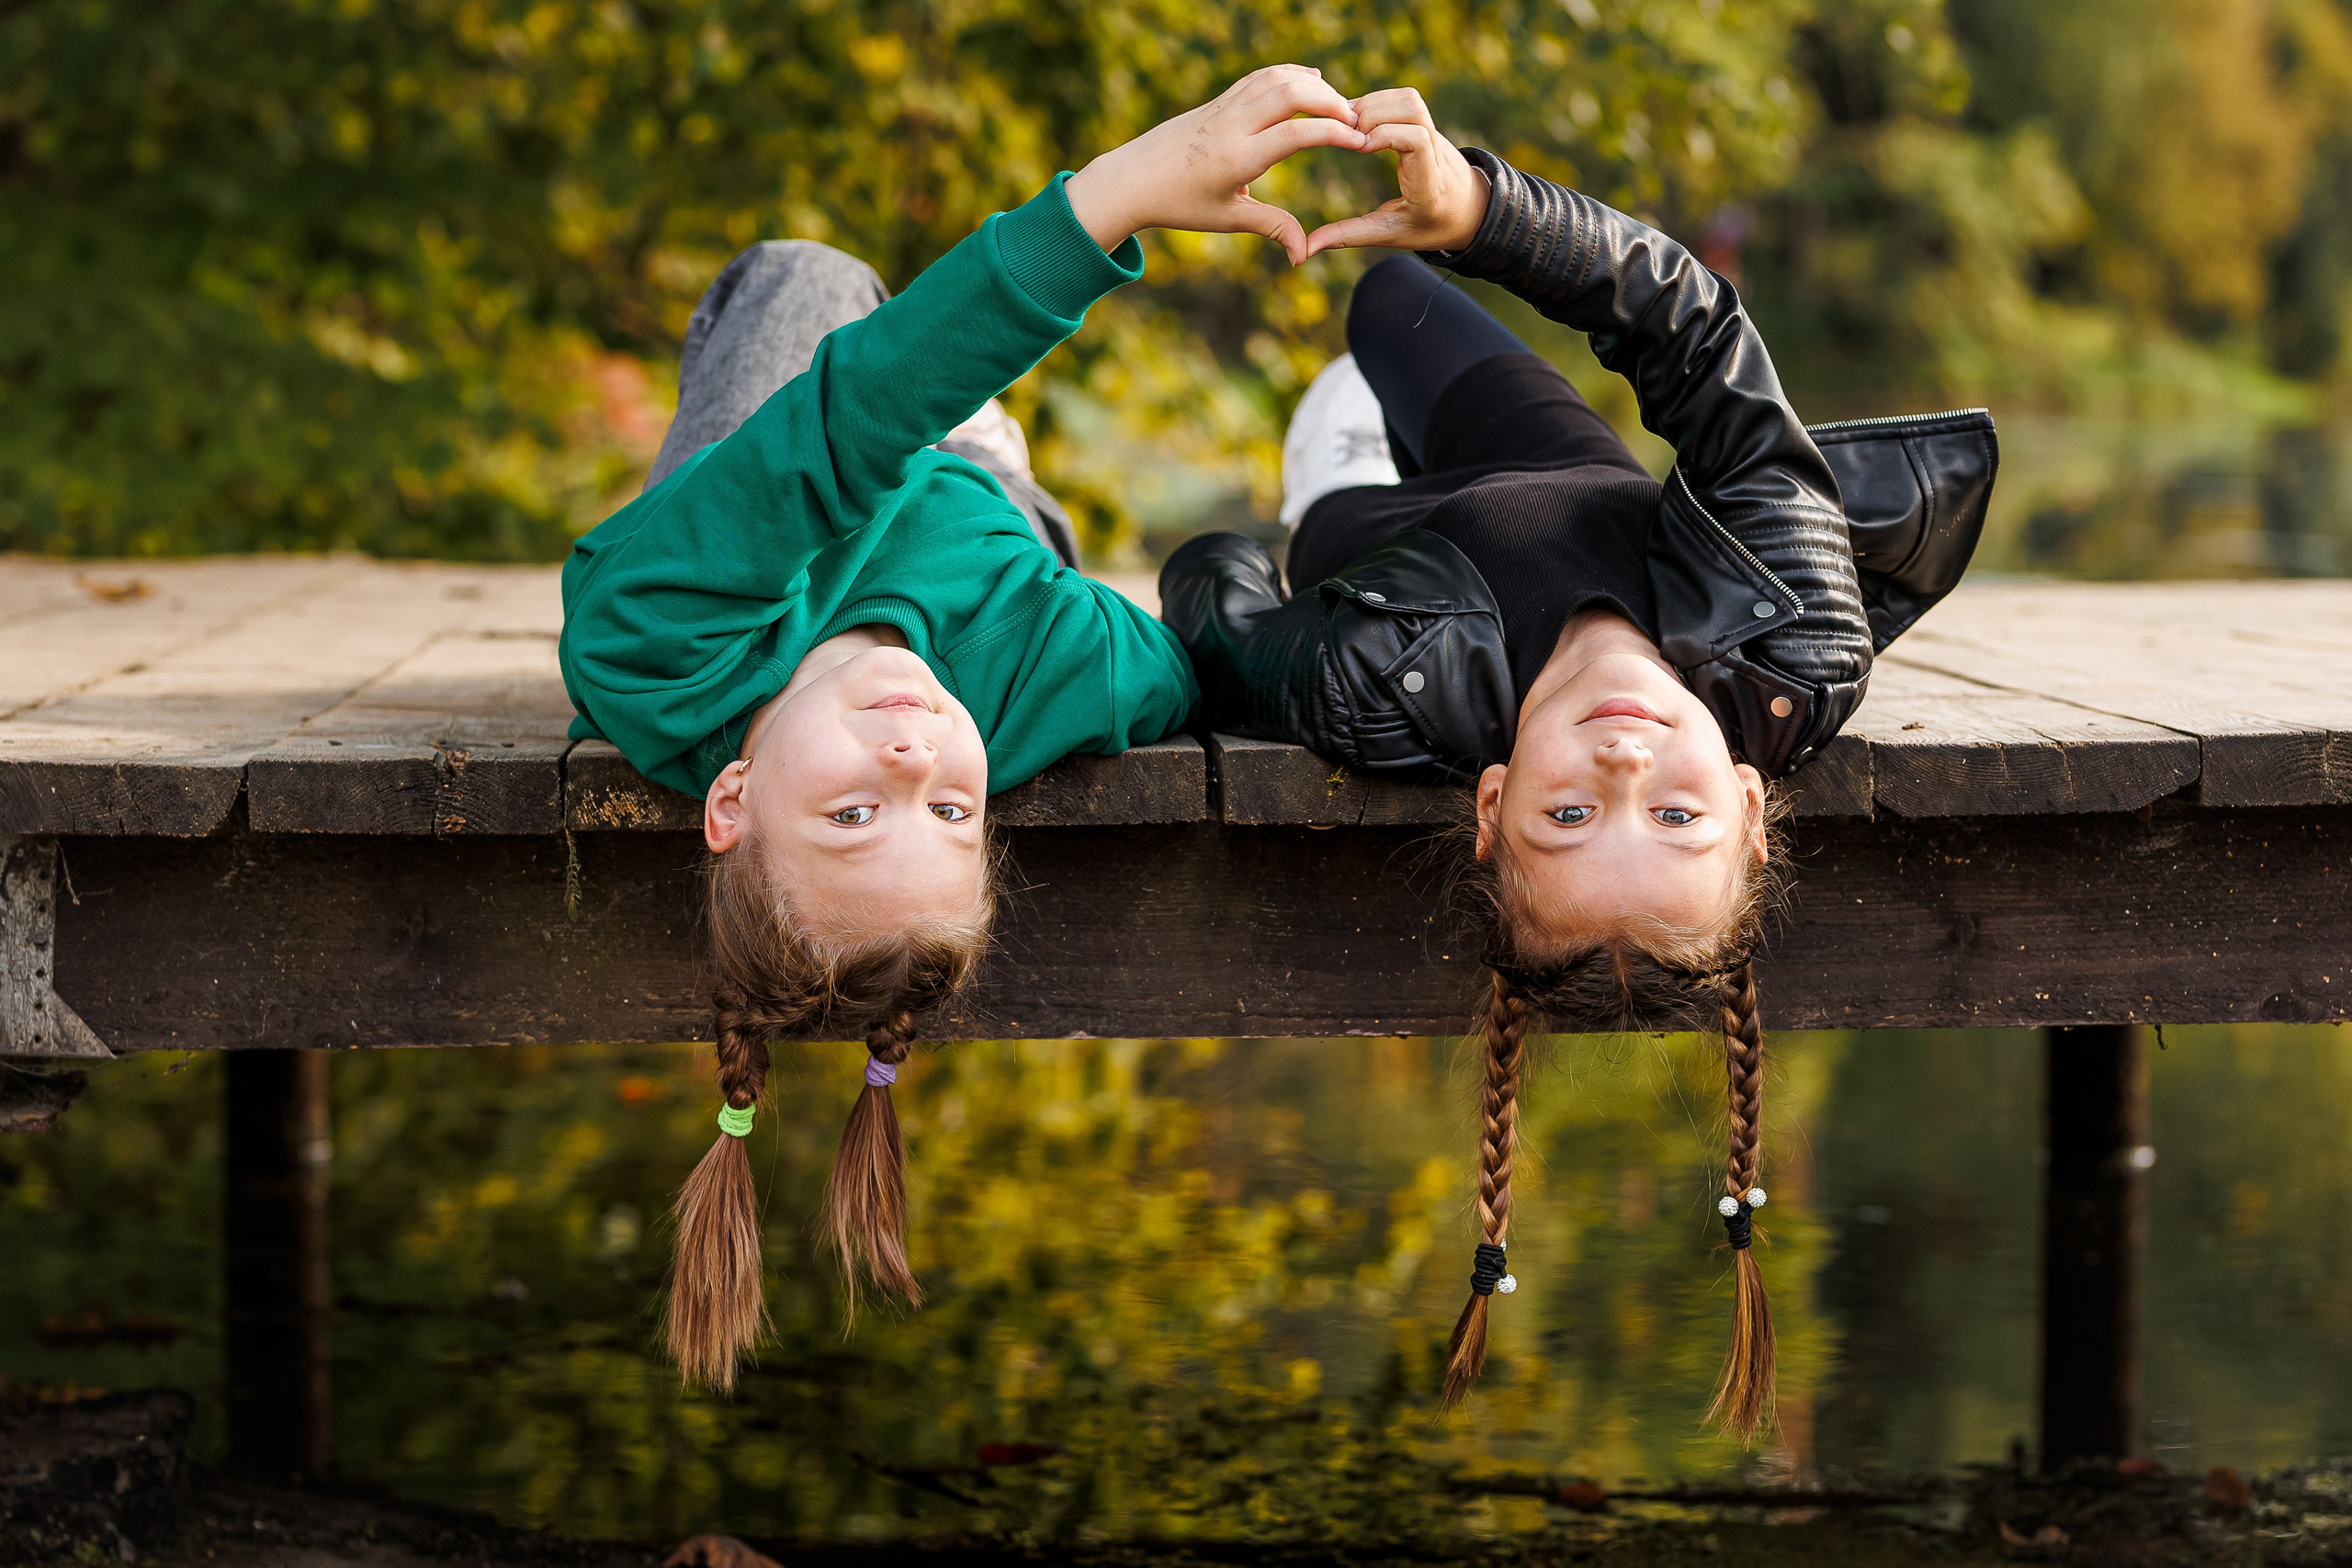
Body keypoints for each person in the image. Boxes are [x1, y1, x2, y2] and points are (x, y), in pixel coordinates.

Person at [1159, 89, 1998, 1438]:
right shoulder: (1793, 642)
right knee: (1392, 286)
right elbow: (1697, 336)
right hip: (1556, 461)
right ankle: (1405, 353)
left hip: (1371, 523)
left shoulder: (1378, 678)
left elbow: (1219, 618)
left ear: (1490, 800)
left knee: (1347, 403)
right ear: (1750, 805)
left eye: (1566, 814)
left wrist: (1238, 554)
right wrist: (1482, 211)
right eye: (1675, 816)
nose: (1622, 761)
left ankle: (1328, 460)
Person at [559, 66, 1372, 1390]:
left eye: (851, 812)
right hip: (986, 496)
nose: (913, 756)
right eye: (951, 810)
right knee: (951, 448)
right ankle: (971, 413)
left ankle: (919, 373)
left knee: (807, 282)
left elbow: (850, 423)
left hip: (768, 490)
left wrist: (1125, 192)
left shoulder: (653, 646)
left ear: (731, 798)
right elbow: (1197, 660)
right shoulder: (1054, 681)